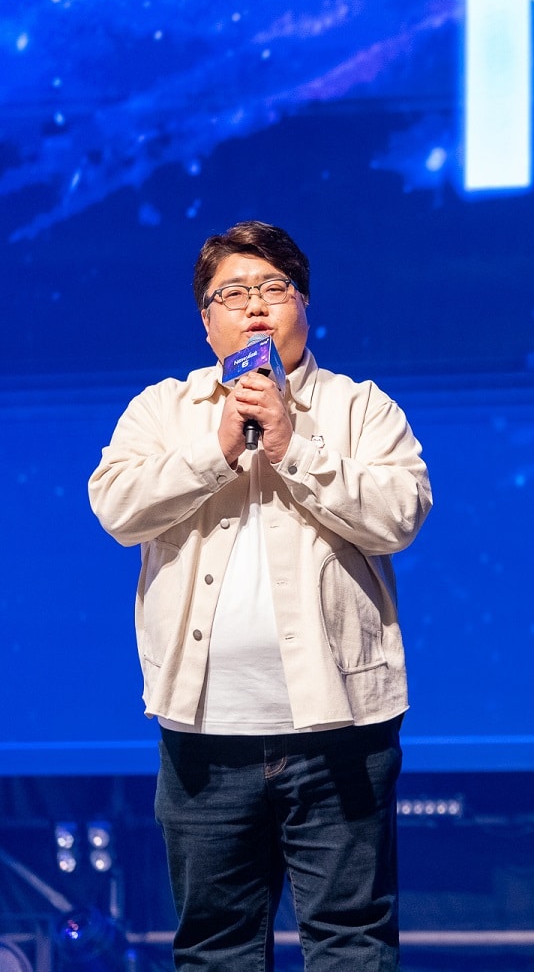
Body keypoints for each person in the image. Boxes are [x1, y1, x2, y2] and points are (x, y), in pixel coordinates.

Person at [88, 220, 432, 970]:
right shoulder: (163, 410)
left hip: (341, 726)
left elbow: (400, 515)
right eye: (232, 294)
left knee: (350, 938)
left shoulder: (359, 408)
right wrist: (217, 447)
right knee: (216, 946)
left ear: (303, 305)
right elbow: (117, 507)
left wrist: (288, 444)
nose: (254, 306)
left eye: (273, 288)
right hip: (202, 729)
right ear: (206, 321)